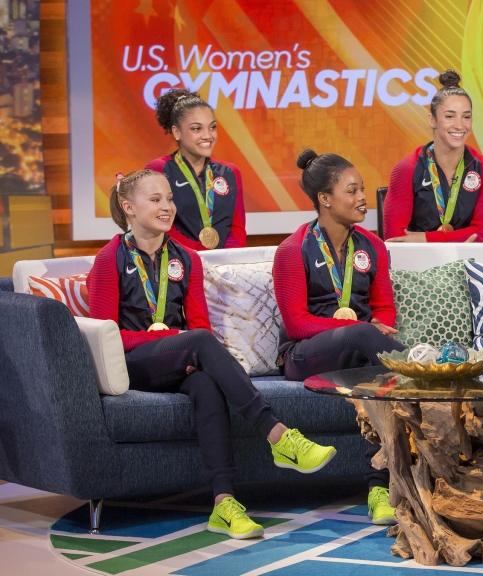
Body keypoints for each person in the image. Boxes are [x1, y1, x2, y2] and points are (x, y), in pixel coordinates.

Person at [88, 169, 336, 540]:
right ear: (128, 208)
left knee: (206, 384)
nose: (167, 206)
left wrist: (183, 345)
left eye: (169, 199)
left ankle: (224, 504)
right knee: (201, 342)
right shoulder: (109, 259)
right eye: (155, 200)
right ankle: (278, 435)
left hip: (180, 360)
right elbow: (106, 337)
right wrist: (176, 339)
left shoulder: (186, 259)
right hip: (133, 366)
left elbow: (198, 323)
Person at [273, 149, 406, 525]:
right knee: (369, 341)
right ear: (325, 199)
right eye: (353, 191)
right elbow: (297, 324)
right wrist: (358, 330)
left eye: (362, 189)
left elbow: (384, 310)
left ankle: (379, 487)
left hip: (359, 351)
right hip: (303, 356)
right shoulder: (292, 250)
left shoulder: (373, 246)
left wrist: (371, 328)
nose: (363, 198)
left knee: (379, 380)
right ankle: (425, 374)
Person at [384, 69, 483, 243]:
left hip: (467, 263)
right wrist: (459, 240)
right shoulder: (406, 169)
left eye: (466, 117)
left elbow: (482, 234)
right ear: (432, 120)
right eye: (450, 116)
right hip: (416, 264)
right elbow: (395, 239)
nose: (460, 125)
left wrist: (424, 238)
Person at [146, 89, 246, 250]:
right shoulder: (159, 169)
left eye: (212, 127)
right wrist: (200, 257)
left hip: (224, 265)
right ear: (176, 132)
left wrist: (227, 259)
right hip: (180, 262)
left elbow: (237, 227)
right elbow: (160, 227)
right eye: (196, 129)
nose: (208, 135)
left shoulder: (230, 171)